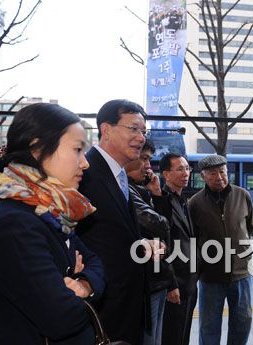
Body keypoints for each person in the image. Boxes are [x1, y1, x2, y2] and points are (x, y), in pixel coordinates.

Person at [0, 103, 105, 345]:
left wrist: (84, 284)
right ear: (37, 149)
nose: (85, 163)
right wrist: (81, 283)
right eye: (78, 150)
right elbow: (62, 317)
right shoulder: (14, 225)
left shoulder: (51, 213)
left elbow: (97, 263)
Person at [76, 99, 161, 345]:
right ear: (106, 130)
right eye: (133, 129)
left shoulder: (121, 175)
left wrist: (141, 244)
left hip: (129, 306)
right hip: (105, 309)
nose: (141, 137)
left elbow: (113, 233)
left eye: (143, 131)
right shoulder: (85, 174)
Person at [188, 154, 253, 345]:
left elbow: (249, 227)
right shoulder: (194, 203)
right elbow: (192, 237)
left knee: (242, 322)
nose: (219, 177)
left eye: (222, 172)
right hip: (210, 276)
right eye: (212, 173)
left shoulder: (243, 195)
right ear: (203, 176)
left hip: (241, 274)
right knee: (209, 325)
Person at [125, 139, 173, 345]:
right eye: (144, 159)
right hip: (147, 282)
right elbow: (160, 225)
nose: (148, 166)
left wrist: (156, 194)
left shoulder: (140, 191)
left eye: (149, 160)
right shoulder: (126, 191)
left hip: (157, 279)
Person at [148, 153, 198, 345]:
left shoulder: (183, 200)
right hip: (176, 283)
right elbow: (162, 244)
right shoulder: (163, 202)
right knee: (172, 336)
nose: (186, 173)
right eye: (180, 169)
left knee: (183, 334)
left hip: (190, 282)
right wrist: (171, 284)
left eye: (187, 168)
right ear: (166, 174)